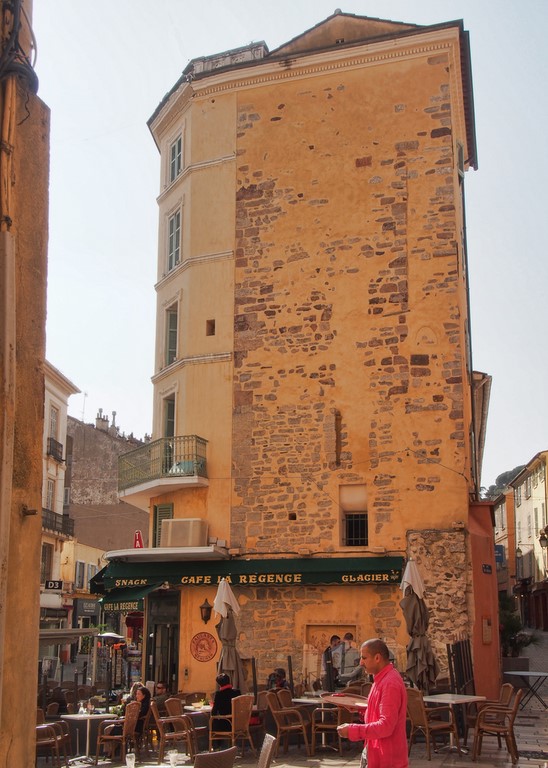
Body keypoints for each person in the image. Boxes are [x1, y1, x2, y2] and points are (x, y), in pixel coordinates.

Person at [337, 639, 407, 768]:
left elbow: (386, 726)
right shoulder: (380, 679)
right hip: (376, 753)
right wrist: (360, 709)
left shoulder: (390, 683)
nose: (361, 662)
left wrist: (353, 730)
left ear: (377, 658)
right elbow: (379, 711)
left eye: (364, 657)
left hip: (387, 759)